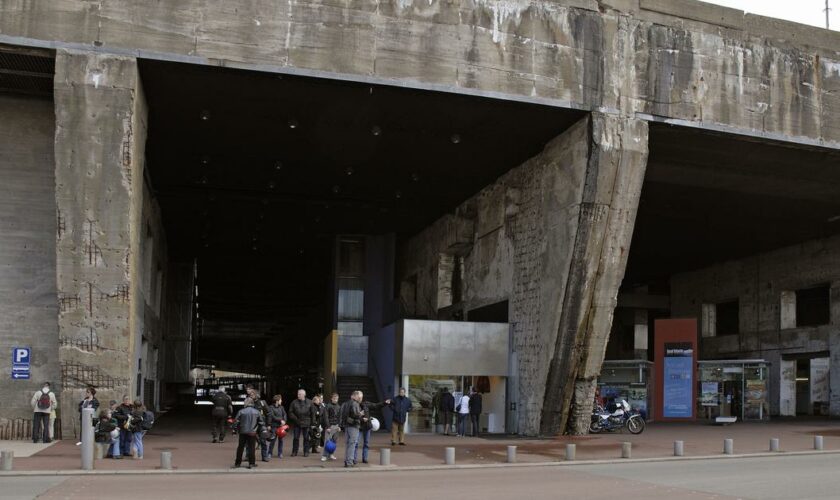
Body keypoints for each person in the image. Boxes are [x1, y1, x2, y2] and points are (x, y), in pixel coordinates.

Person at [233, 398, 264, 469]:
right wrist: (261, 430)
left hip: (243, 432)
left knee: (240, 447)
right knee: (251, 448)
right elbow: (261, 422)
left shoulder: (241, 411)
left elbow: (236, 422)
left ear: (246, 403)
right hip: (252, 432)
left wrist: (234, 430)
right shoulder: (257, 412)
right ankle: (251, 463)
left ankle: (237, 463)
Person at [357, 392, 387, 464]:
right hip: (359, 427)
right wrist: (361, 418)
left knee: (366, 443)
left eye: (361, 397)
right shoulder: (354, 405)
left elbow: (376, 406)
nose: (360, 399)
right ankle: (354, 459)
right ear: (356, 397)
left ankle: (365, 458)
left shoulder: (366, 404)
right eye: (359, 397)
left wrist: (384, 403)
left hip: (367, 427)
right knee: (356, 444)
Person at [289, 389, 315, 457]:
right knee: (296, 438)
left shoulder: (310, 402)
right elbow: (290, 412)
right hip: (297, 422)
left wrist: (313, 424)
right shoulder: (294, 402)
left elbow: (313, 413)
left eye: (299, 394)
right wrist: (295, 419)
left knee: (306, 438)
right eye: (298, 394)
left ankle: (306, 451)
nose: (298, 395)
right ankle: (294, 451)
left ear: (304, 395)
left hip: (306, 422)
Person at [339, 391, 362, 468]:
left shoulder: (345, 403)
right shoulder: (355, 403)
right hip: (354, 426)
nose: (359, 398)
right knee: (352, 444)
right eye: (358, 397)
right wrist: (360, 414)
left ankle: (347, 461)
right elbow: (355, 414)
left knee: (348, 444)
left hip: (347, 425)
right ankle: (349, 462)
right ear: (354, 396)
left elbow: (342, 414)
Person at [266, 394, 287, 460]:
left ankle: (280, 453)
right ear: (277, 401)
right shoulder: (271, 407)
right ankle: (269, 453)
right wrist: (280, 420)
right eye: (280, 400)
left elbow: (285, 414)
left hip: (280, 426)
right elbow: (272, 416)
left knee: (281, 440)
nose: (281, 401)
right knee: (273, 440)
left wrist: (284, 421)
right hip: (274, 426)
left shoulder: (282, 407)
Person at [320, 393, 340, 462]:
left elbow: (339, 417)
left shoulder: (338, 406)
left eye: (337, 399)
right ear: (331, 399)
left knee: (334, 441)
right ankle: (324, 455)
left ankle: (331, 454)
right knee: (327, 441)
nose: (335, 400)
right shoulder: (328, 406)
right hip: (330, 426)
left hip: (336, 426)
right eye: (334, 398)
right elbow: (326, 417)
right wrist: (328, 426)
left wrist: (339, 426)